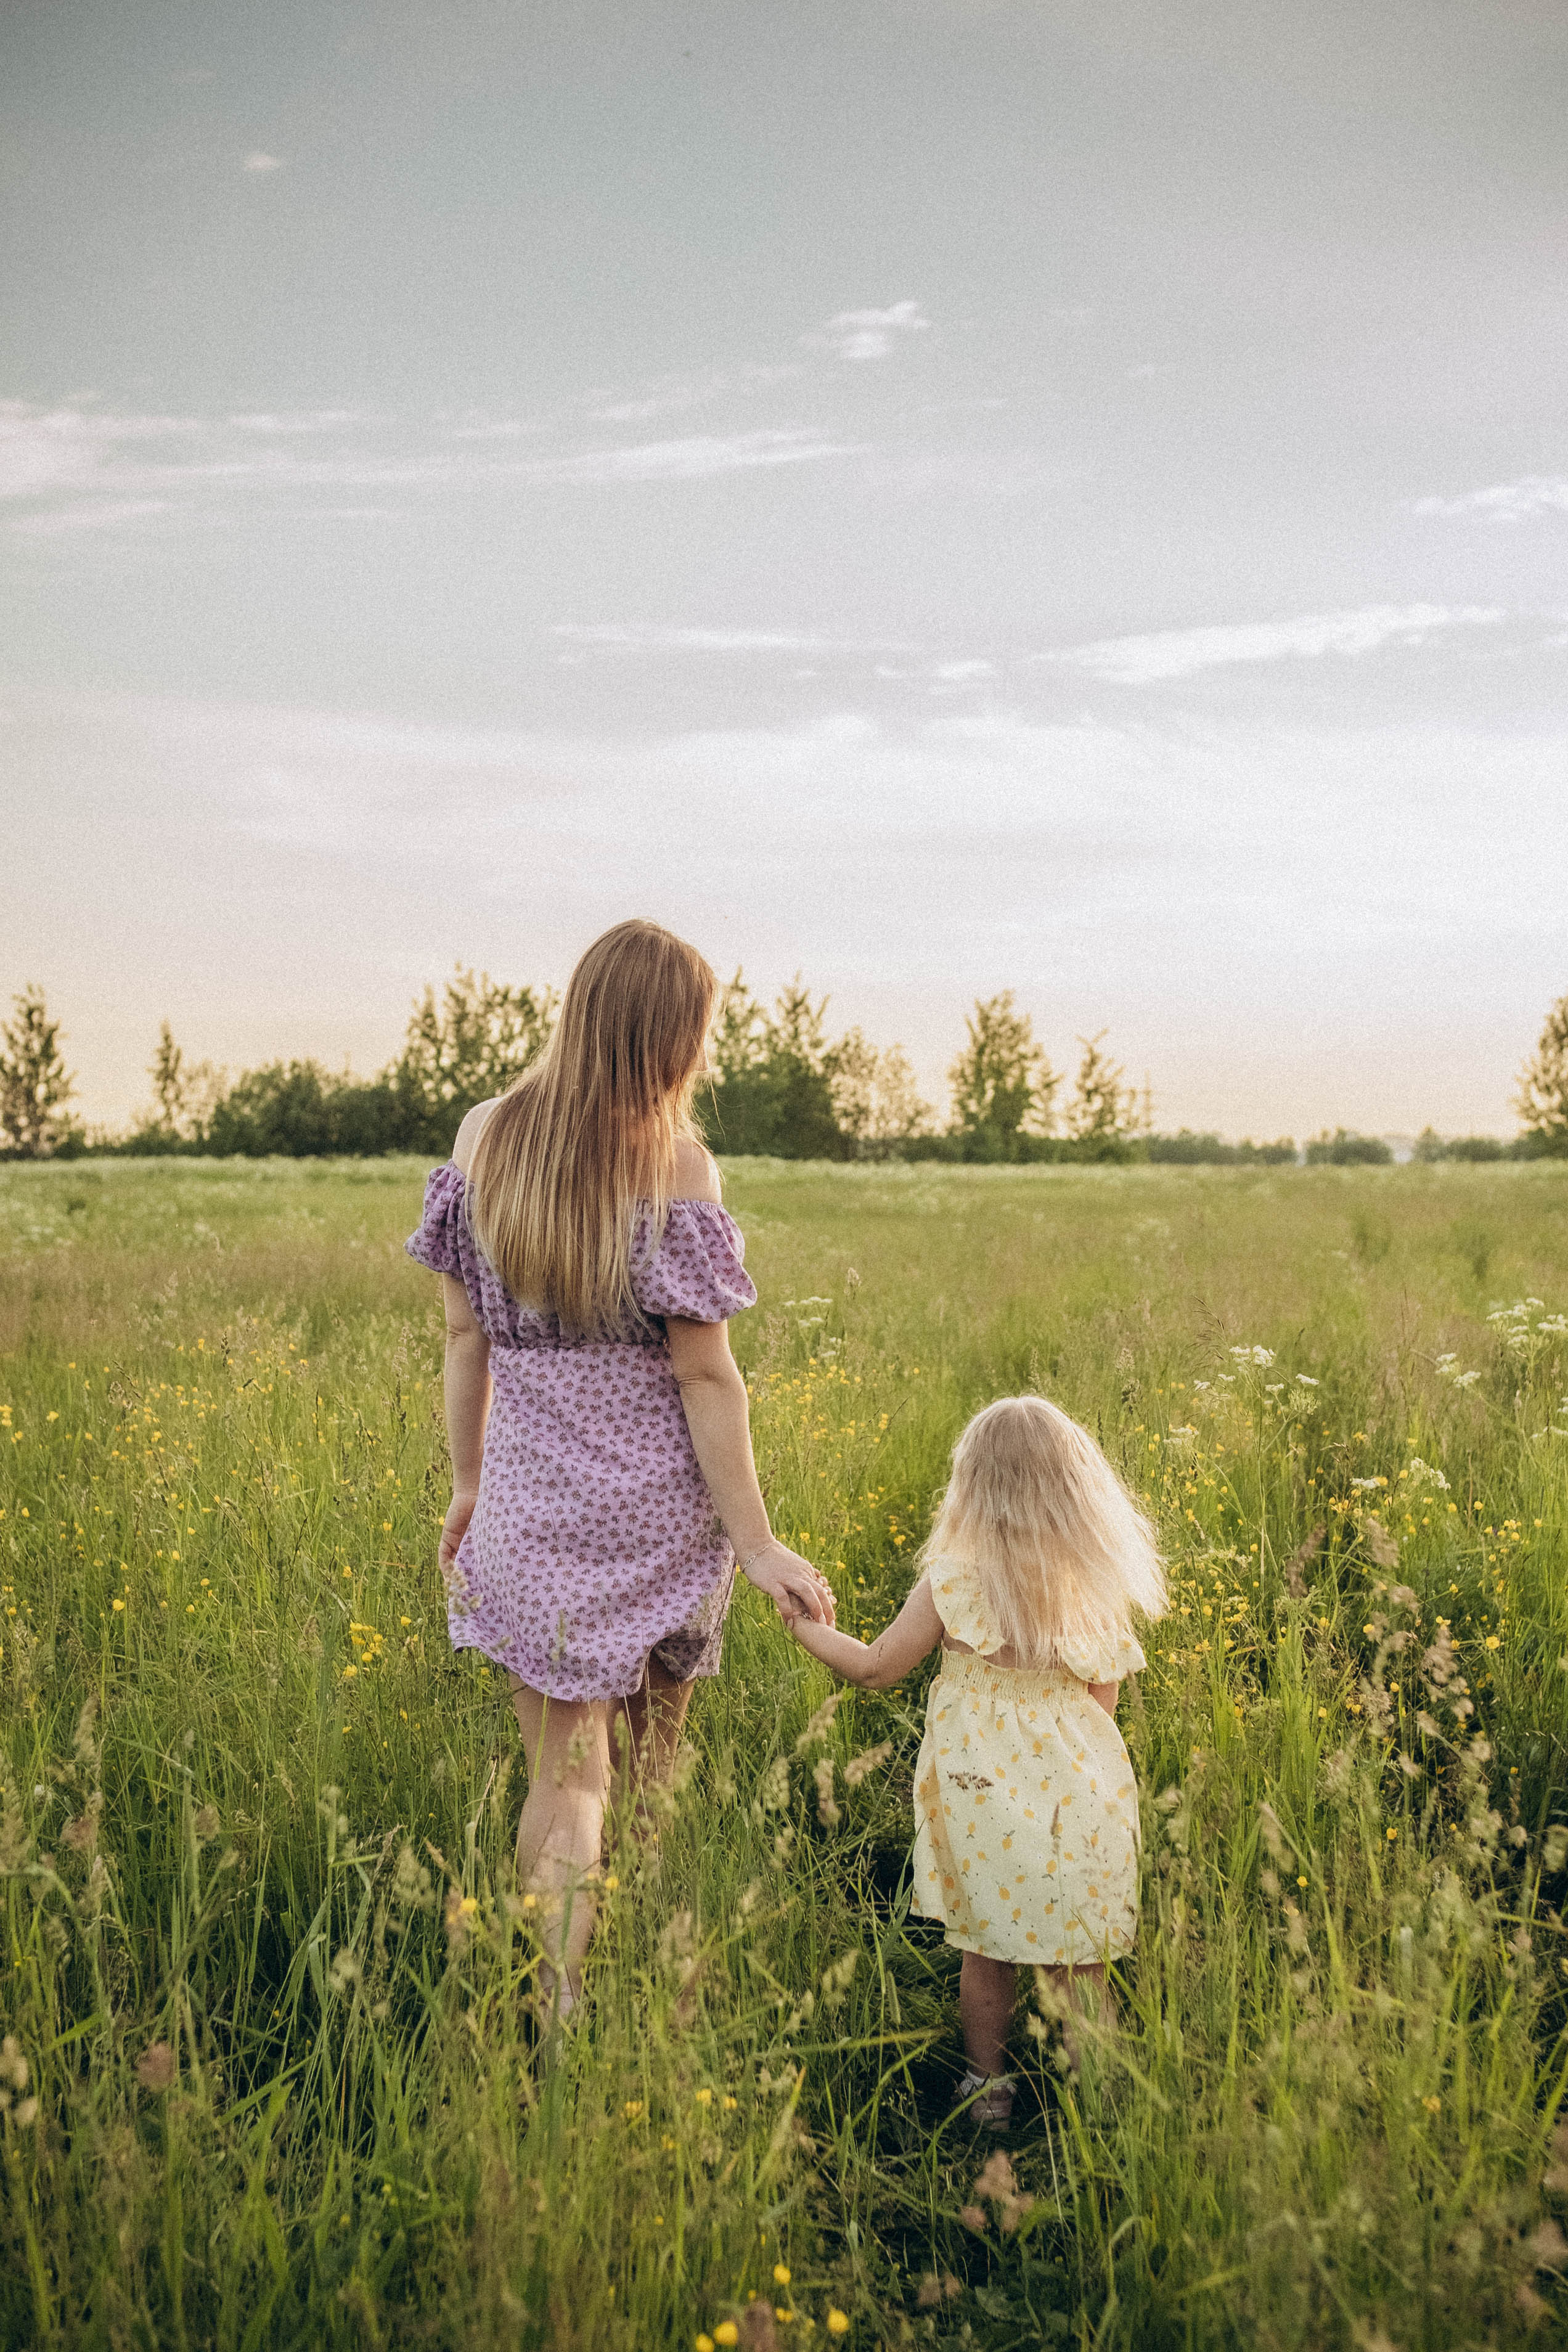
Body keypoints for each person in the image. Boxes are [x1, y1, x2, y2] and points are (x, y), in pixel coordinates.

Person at [406, 919, 833, 2017]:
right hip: (658, 1520)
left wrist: (465, 1487)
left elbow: (465, 1341)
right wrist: (757, 1541)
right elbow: (705, 1378)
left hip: (531, 1517)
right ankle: (642, 1930)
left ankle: (555, 1997)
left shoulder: (480, 1138)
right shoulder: (677, 1165)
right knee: (654, 1754)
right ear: (672, 1039)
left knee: (564, 1779)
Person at [786, 1394, 1164, 2123]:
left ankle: (988, 2092)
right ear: (1079, 1491)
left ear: (972, 1489)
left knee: (985, 1953)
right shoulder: (1094, 1591)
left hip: (982, 1803)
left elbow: (873, 1668)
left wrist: (806, 1628)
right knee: (1081, 1964)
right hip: (1081, 1806)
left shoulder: (954, 1581)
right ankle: (1106, 2104)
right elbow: (1100, 1711)